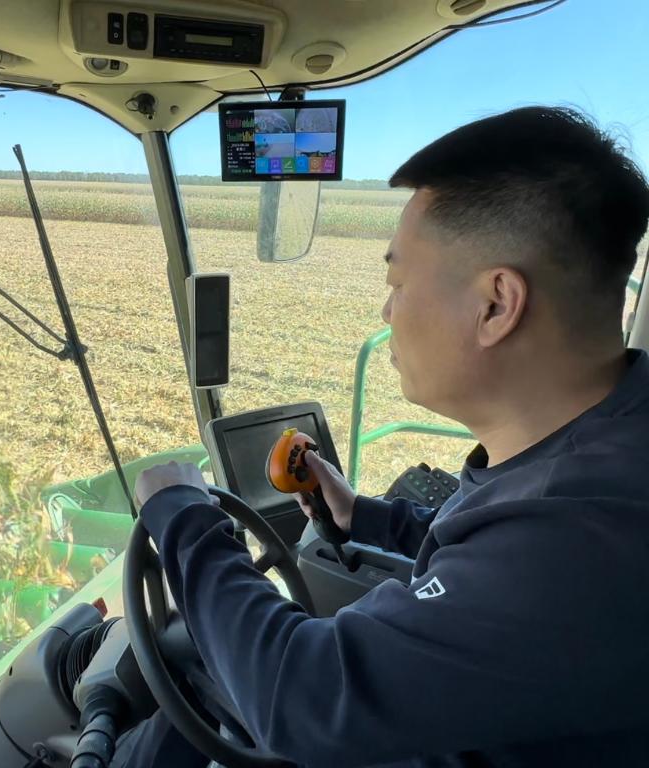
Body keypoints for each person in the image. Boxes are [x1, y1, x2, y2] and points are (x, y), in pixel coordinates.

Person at [113, 107, 649, 767]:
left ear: (496, 304)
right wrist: (362, 515)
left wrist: (183, 515)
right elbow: (491, 561)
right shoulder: (602, 450)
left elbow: (298, 698)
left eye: (397, 282)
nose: (387, 309)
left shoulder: (583, 537)